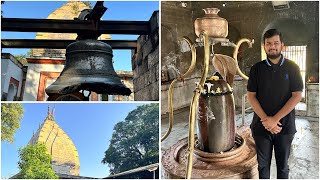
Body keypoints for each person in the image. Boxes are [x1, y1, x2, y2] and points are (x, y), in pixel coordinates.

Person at [247, 29, 303, 179]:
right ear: (264, 46)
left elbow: (297, 96)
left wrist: (274, 120)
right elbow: (251, 96)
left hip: (285, 128)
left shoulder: (292, 68)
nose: (272, 46)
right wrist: (267, 120)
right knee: (263, 166)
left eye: (276, 43)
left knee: (283, 167)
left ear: (282, 46)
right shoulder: (256, 69)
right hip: (261, 127)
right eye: (269, 44)